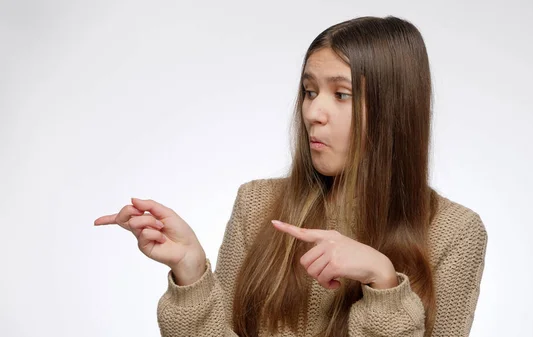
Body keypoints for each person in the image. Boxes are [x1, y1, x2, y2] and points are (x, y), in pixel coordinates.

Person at [94, 15, 488, 337]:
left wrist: (382, 281)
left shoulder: (455, 232)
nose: (313, 112)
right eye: (309, 90)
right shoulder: (256, 205)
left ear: (394, 109)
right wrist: (191, 268)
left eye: (341, 94)